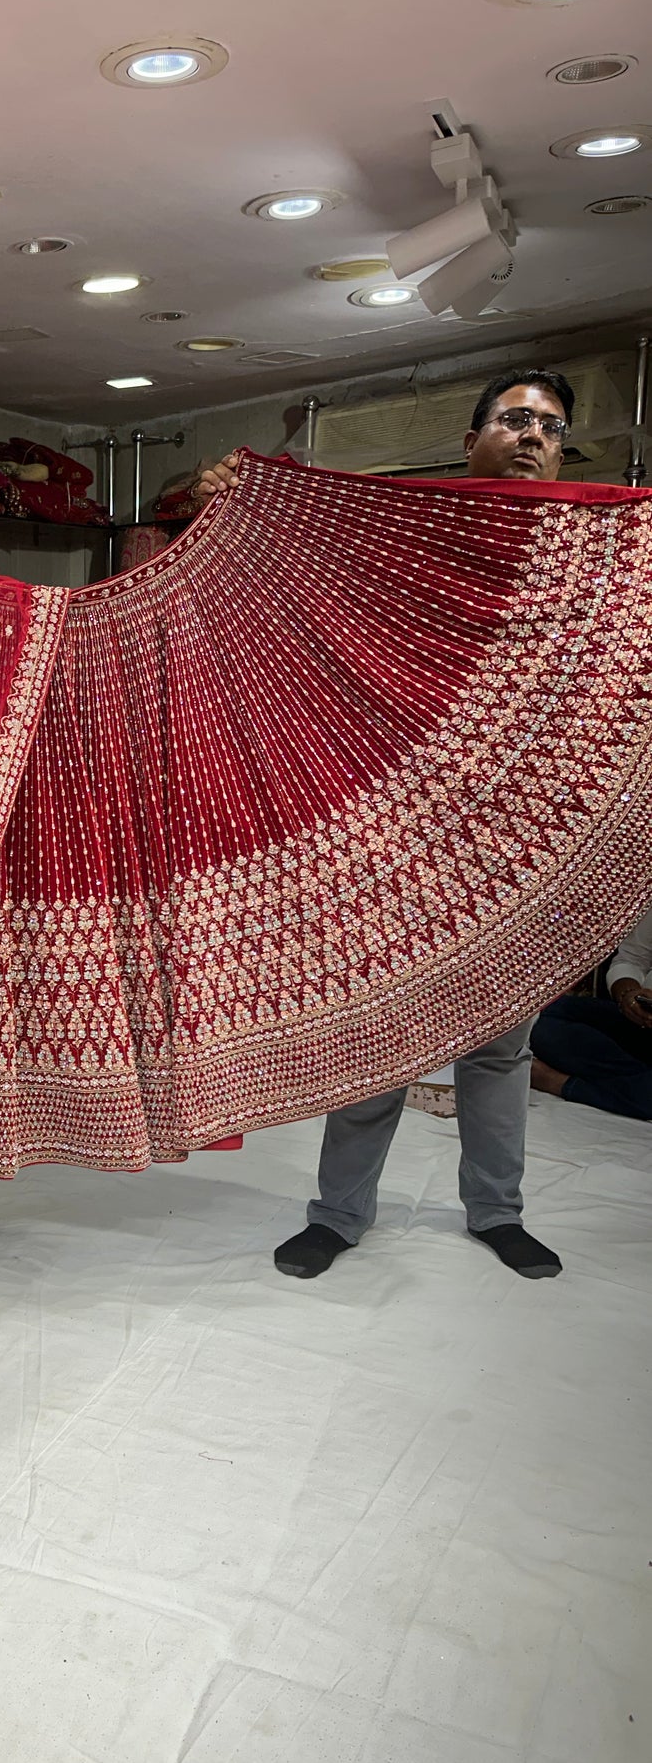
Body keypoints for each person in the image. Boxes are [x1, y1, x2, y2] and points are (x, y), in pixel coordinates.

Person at [191, 368, 577, 1282]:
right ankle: (337, 1215)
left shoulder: (581, 548)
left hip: (519, 831)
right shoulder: (411, 525)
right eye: (515, 419)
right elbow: (306, 560)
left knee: (497, 1047)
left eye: (553, 428)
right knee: (378, 1031)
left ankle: (495, 1212)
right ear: (474, 433)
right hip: (399, 825)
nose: (533, 436)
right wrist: (241, 501)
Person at [530, 905, 652, 1119]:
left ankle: (561, 1082)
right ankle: (633, 1085)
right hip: (643, 1019)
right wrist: (629, 995)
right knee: (543, 1016)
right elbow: (632, 959)